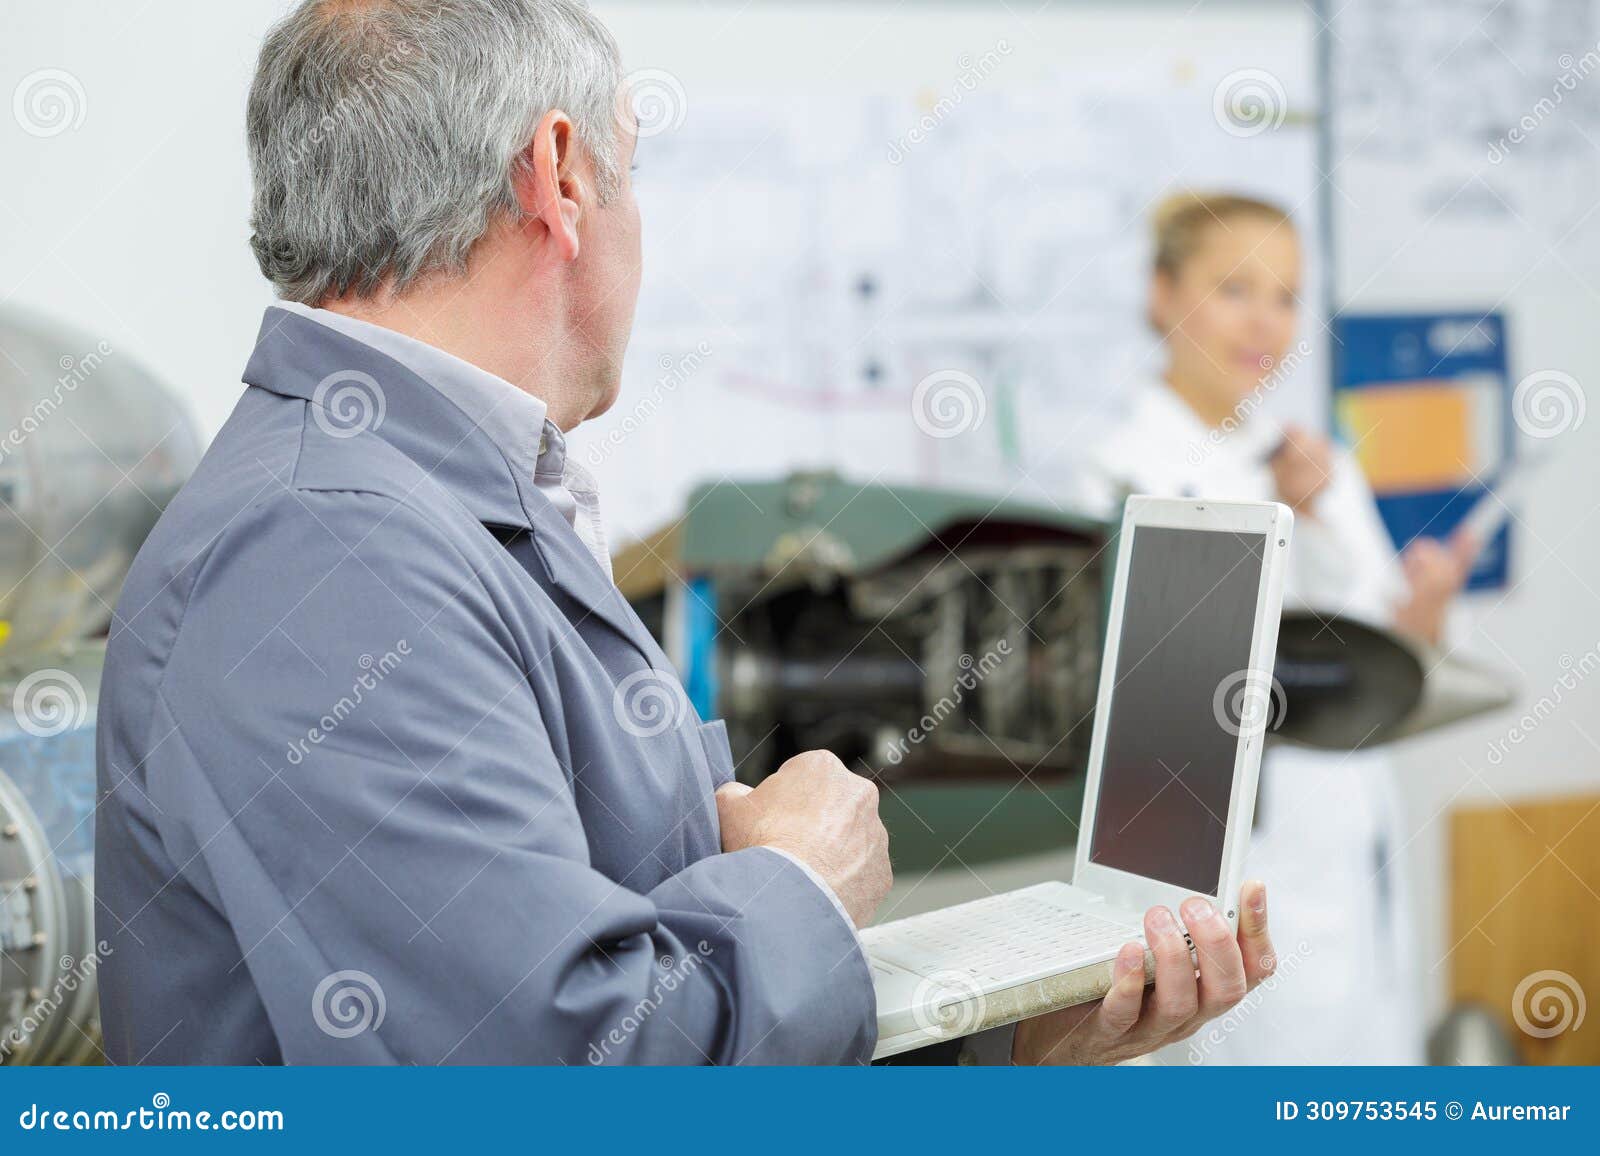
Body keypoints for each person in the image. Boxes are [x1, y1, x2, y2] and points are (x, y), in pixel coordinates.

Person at [95, 0, 1277, 1065]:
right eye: (634, 170)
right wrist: (795, 880)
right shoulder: (326, 555)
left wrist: (1008, 1056)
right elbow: (565, 1076)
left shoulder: (452, 502)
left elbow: (638, 988)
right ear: (557, 176)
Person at [1072, 192, 1476, 1064]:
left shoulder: (1316, 462)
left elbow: (1371, 649)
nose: (1267, 321)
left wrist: (1421, 619)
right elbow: (1147, 698)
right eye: (1235, 289)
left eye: (1287, 295)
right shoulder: (1115, 476)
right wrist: (1283, 524)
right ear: (1161, 293)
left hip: (1349, 843)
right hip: (1236, 863)